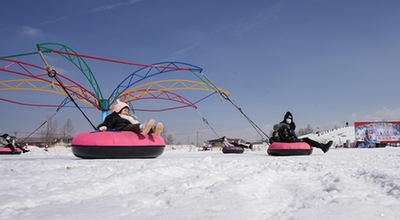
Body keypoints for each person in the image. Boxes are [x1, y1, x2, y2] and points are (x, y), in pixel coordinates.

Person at [97, 99, 163, 136]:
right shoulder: (113, 116)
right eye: (125, 110)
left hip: (131, 127)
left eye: (127, 111)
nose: (127, 112)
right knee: (131, 126)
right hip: (122, 127)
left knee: (134, 126)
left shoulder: (129, 117)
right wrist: (103, 126)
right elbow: (107, 123)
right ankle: (143, 127)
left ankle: (153, 129)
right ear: (118, 110)